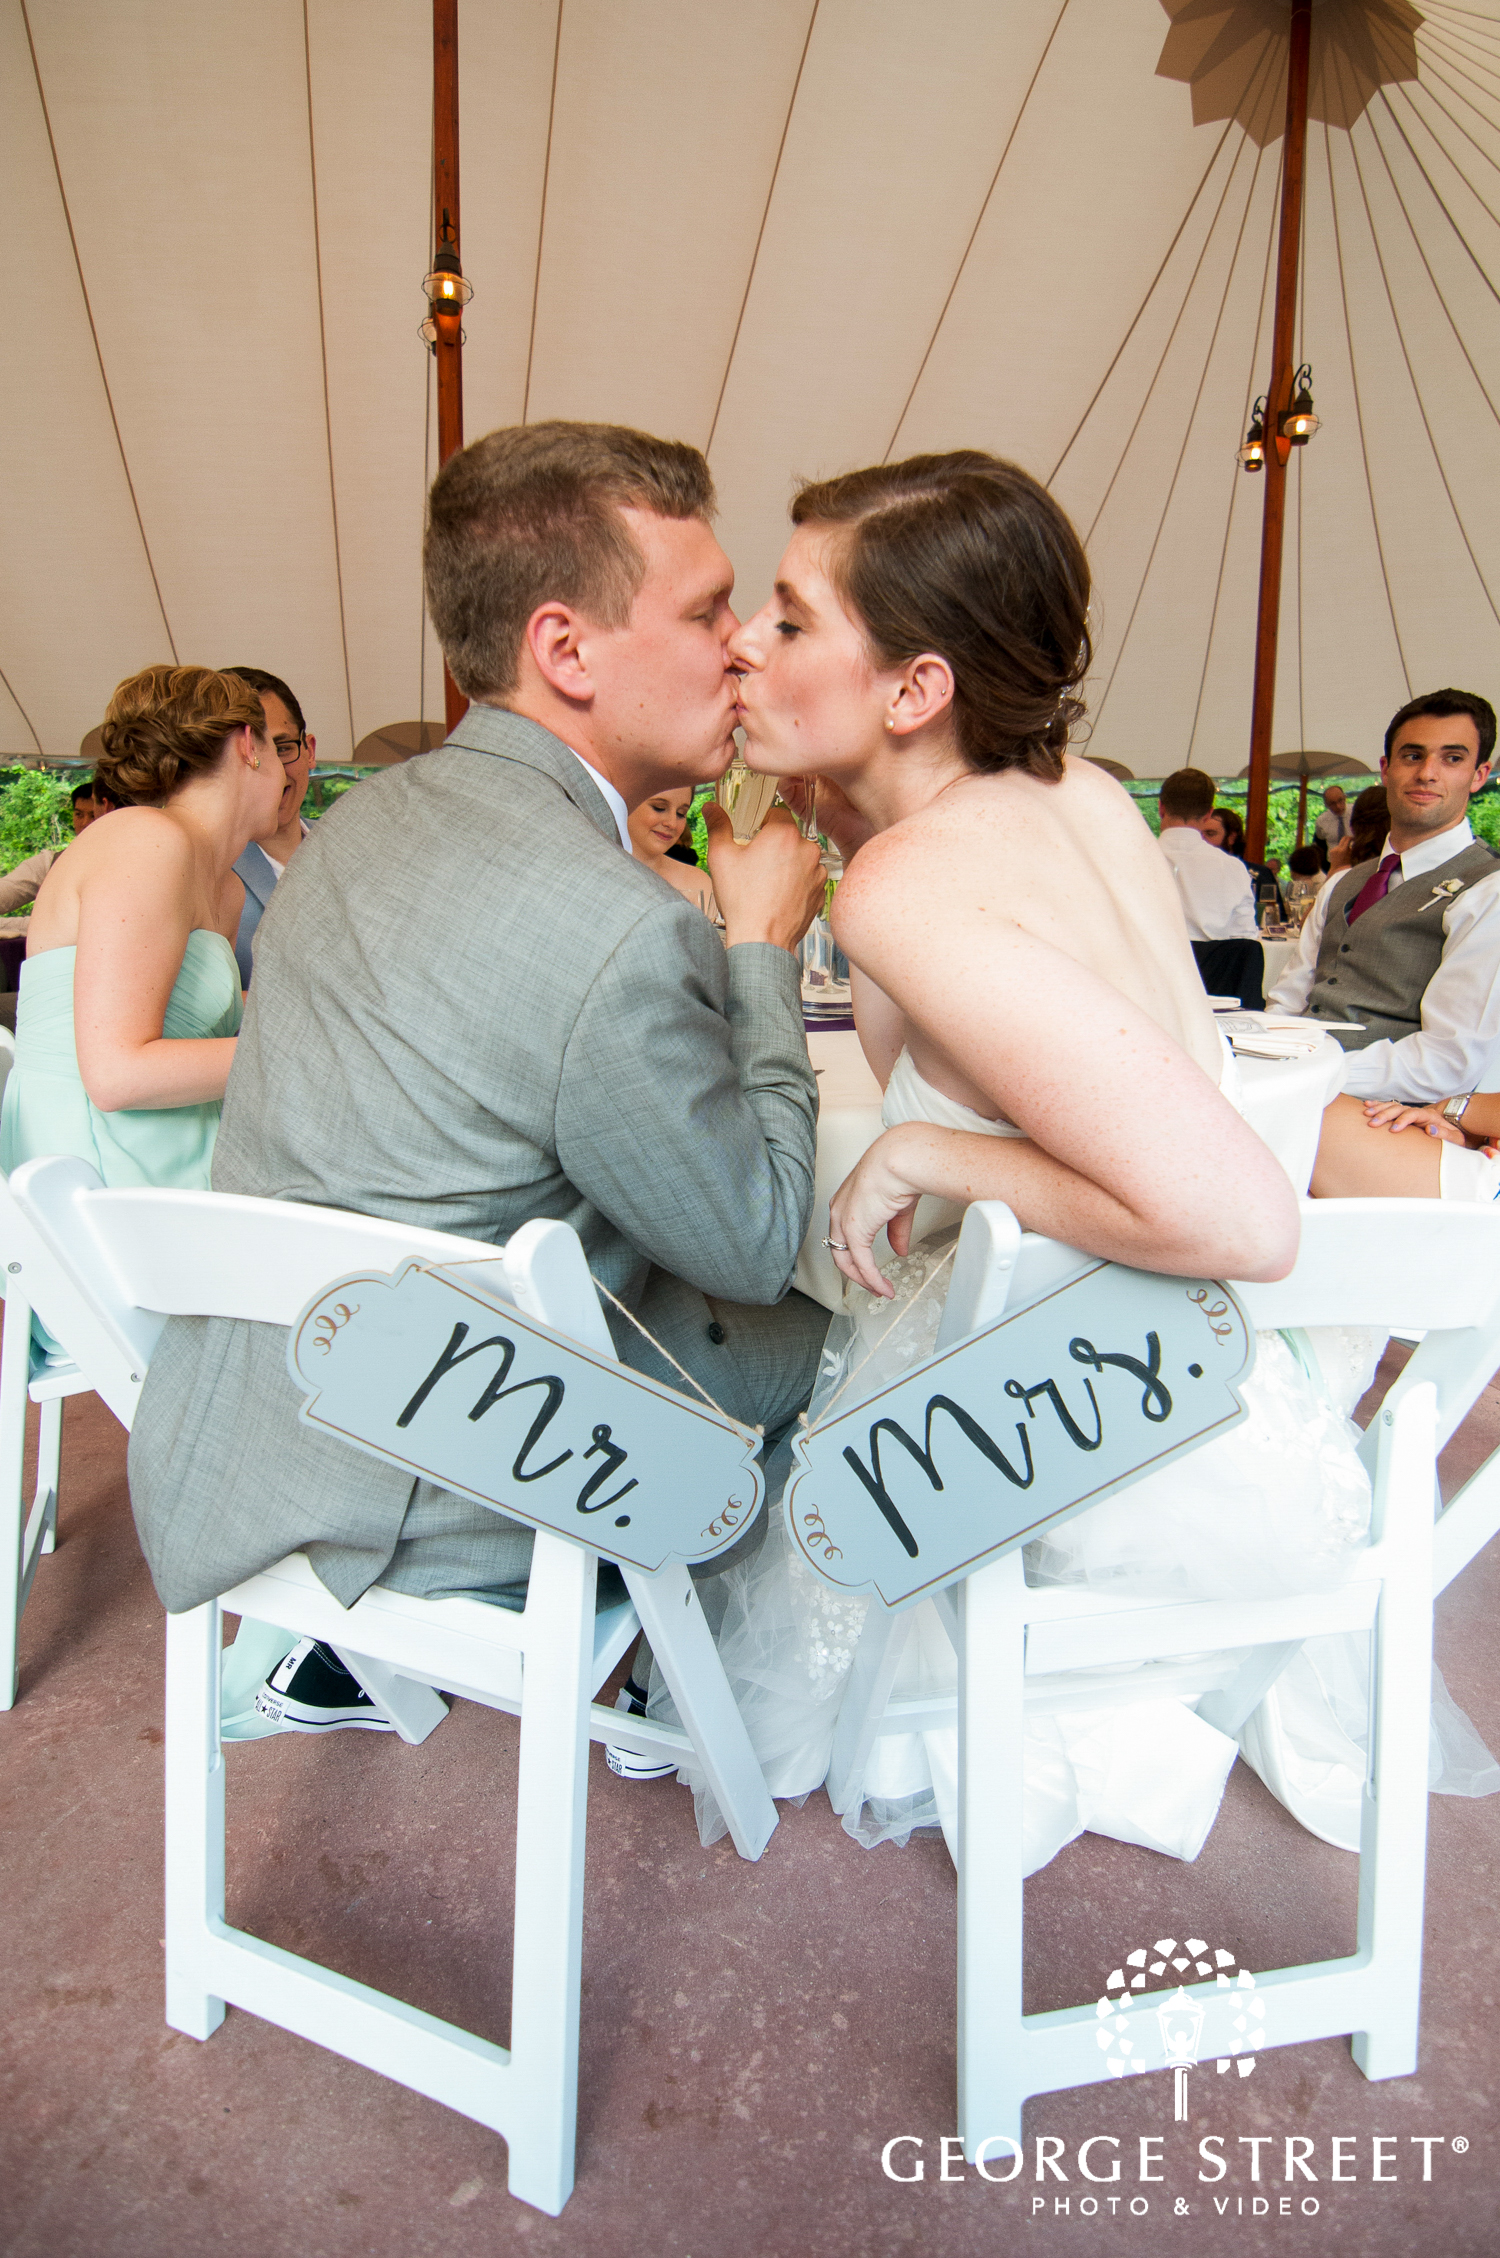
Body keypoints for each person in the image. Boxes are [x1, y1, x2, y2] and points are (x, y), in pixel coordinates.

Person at [626, 450, 1416, 1880]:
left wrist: (937, 1148)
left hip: (1070, 1436)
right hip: (1213, 1401)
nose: (744, 640)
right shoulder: (1084, 798)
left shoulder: (911, 886)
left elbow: (1239, 1211)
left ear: (915, 688)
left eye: (793, 620)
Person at [126, 420, 830, 1740]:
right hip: (448, 1461)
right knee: (836, 1343)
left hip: (252, 1428)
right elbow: (751, 1237)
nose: (741, 642)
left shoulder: (352, 826)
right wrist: (760, 951)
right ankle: (742, 1702)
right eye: (707, 609)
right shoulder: (621, 924)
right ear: (565, 649)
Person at [0, 666, 281, 1197]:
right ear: (249, 743)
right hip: (95, 1171)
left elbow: (188, 1014)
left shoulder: (222, 884)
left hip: (184, 1145)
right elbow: (117, 1074)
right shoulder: (145, 840)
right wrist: (317, 1050)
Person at [1267, 691, 1500, 1100]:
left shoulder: (1488, 890)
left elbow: (1447, 1061)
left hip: (1383, 1104)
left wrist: (1311, 1077)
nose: (1427, 773)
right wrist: (1265, 1060)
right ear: (1386, 769)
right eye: (1412, 756)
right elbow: (1287, 1001)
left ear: (1480, 775)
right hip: (1292, 1083)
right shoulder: (1343, 882)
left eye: (1452, 758)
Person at [223, 666, 318, 986]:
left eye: (283, 748)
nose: (274, 771)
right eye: (252, 755)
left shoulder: (355, 845)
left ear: (310, 751)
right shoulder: (206, 865)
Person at [1155, 770, 1258, 940]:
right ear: (1209, 814)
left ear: (1161, 808)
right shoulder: (1231, 867)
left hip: (1148, 965)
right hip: (1211, 966)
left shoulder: (1128, 863)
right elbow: (1245, 941)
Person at [627, 784, 721, 923]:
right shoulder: (594, 871)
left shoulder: (698, 882)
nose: (672, 823)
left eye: (681, 813)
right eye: (659, 808)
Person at [1201, 802, 1284, 921]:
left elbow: (1278, 919)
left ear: (1231, 837)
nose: (1203, 840)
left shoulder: (1260, 875)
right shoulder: (1191, 872)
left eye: (1210, 834)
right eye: (1199, 834)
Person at [1313, 784, 1350, 867]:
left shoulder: (1356, 812)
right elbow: (1320, 841)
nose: (1338, 806)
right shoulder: (1321, 821)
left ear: (1345, 797)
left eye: (1340, 800)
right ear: (1326, 804)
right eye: (1332, 803)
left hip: (1355, 860)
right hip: (1333, 864)